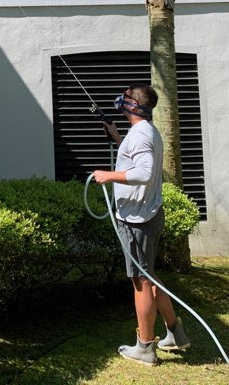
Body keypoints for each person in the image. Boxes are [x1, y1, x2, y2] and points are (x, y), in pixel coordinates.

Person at [92, 83, 190, 367]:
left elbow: (144, 173)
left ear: (134, 105)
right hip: (148, 214)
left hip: (138, 221)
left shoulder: (141, 135)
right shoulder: (145, 131)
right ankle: (175, 333)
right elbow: (136, 159)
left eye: (125, 97)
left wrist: (108, 175)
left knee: (141, 282)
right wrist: (117, 138)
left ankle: (145, 348)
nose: (120, 100)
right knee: (150, 276)